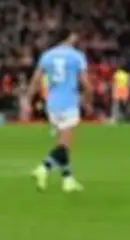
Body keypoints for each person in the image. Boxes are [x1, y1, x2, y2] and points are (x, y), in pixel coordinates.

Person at [28, 32, 89, 193]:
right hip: (69, 102)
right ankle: (43, 168)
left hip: (52, 103)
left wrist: (28, 99)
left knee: (61, 142)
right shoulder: (77, 56)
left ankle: (68, 180)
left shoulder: (47, 55)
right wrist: (88, 99)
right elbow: (86, 83)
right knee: (65, 145)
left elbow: (36, 80)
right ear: (69, 37)